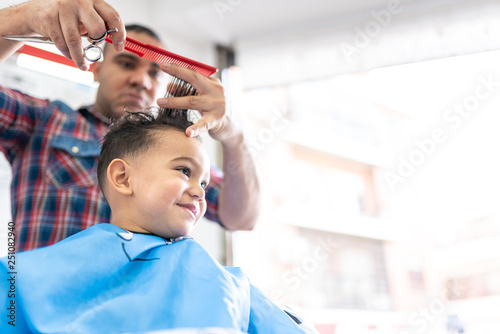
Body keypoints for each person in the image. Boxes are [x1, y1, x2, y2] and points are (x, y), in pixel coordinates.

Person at [0, 109, 312, 333]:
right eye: (184, 171)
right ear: (123, 178)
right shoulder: (22, 277)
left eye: (204, 184)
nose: (199, 192)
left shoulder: (231, 284)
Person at [0, 0, 260, 251]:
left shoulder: (178, 150)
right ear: (97, 69)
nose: (141, 80)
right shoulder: (43, 121)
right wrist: (25, 19)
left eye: (154, 73)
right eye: (126, 63)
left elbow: (241, 218)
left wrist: (234, 137)